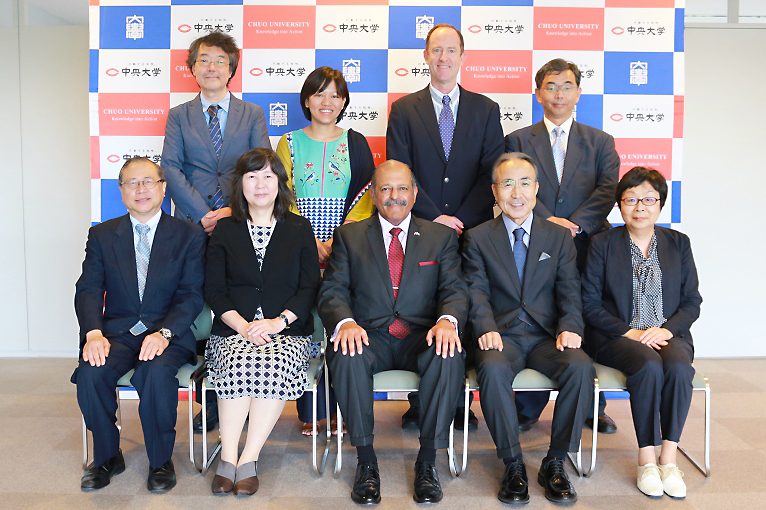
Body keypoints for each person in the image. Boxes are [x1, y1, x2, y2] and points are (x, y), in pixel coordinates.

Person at [318, 160, 468, 504]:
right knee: (345, 351)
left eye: (402, 188)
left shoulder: (440, 236)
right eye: (385, 188)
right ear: (373, 194)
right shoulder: (349, 236)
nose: (394, 196)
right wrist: (345, 322)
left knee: (448, 352)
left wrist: (448, 320)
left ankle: (428, 460)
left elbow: (455, 290)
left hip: (422, 334)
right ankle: (366, 461)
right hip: (368, 334)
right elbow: (333, 290)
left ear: (415, 194)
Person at [387, 23, 503, 428]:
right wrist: (434, 216)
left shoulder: (486, 109)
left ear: (462, 56)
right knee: (422, 307)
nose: (443, 58)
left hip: (472, 228)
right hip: (420, 225)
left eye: (451, 50)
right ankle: (423, 402)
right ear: (425, 56)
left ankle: (458, 403)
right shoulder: (404, 109)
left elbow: (492, 171)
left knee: (464, 307)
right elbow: (401, 169)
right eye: (436, 50)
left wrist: (460, 218)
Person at [462, 153, 594, 505]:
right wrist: (485, 327)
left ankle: (555, 461)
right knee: (490, 367)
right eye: (507, 184)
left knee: (581, 368)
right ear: (494, 190)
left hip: (546, 337)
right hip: (501, 336)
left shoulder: (558, 236)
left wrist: (570, 326)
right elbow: (475, 290)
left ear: (536, 189)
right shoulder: (477, 238)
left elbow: (570, 289)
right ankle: (513, 463)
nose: (516, 192)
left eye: (524, 183)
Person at [72, 157, 205, 493]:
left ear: (163, 188)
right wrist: (93, 333)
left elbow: (191, 294)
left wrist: (165, 332)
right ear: (121, 192)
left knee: (155, 374)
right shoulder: (102, 234)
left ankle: (160, 462)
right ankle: (106, 456)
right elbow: (88, 288)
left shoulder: (188, 235)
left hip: (167, 333)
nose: (141, 189)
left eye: (149, 181)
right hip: (115, 333)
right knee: (91, 372)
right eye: (132, 183)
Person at [160, 31, 271, 433]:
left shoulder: (252, 113)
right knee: (196, 306)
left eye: (220, 61)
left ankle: (233, 397)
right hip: (192, 225)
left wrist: (228, 211)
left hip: (240, 223)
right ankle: (208, 399)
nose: (211, 67)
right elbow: (170, 168)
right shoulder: (179, 115)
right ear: (192, 68)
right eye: (204, 60)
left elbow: (261, 165)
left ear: (232, 69)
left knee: (231, 304)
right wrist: (204, 212)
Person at [506, 58, 620, 434]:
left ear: (578, 92)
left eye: (566, 85)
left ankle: (592, 404)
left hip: (587, 243)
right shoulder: (519, 140)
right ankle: (528, 405)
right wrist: (546, 223)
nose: (558, 93)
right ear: (538, 92)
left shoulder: (600, 141)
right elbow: (516, 187)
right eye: (550, 86)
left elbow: (607, 189)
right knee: (536, 314)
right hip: (533, 240)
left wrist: (574, 225)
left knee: (586, 317)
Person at [204, 148, 320, 496]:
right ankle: (227, 457)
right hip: (233, 328)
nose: (260, 184)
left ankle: (247, 460)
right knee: (239, 361)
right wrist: (242, 326)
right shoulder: (225, 230)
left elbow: (309, 286)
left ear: (280, 183)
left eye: (268, 176)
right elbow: (214, 288)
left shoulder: (299, 228)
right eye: (252, 176)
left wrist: (277, 322)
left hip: (287, 331)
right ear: (240, 184)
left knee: (271, 363)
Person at [581, 167, 701, 499]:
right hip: (616, 337)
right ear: (619, 205)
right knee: (648, 365)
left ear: (660, 204)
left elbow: (692, 301)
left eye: (649, 199)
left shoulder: (679, 243)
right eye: (631, 199)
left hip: (668, 333)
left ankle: (669, 457)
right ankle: (647, 459)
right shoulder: (602, 244)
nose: (640, 207)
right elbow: (589, 304)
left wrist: (665, 330)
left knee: (678, 367)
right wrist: (631, 333)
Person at [276, 66, 374, 436]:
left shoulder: (355, 141)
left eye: (335, 94)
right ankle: (312, 412)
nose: (327, 102)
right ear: (306, 100)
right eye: (319, 94)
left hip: (346, 248)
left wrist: (338, 241)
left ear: (345, 101)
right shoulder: (288, 142)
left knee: (342, 325)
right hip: (298, 247)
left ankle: (345, 410)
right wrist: (310, 241)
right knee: (305, 327)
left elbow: (366, 197)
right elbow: (281, 197)